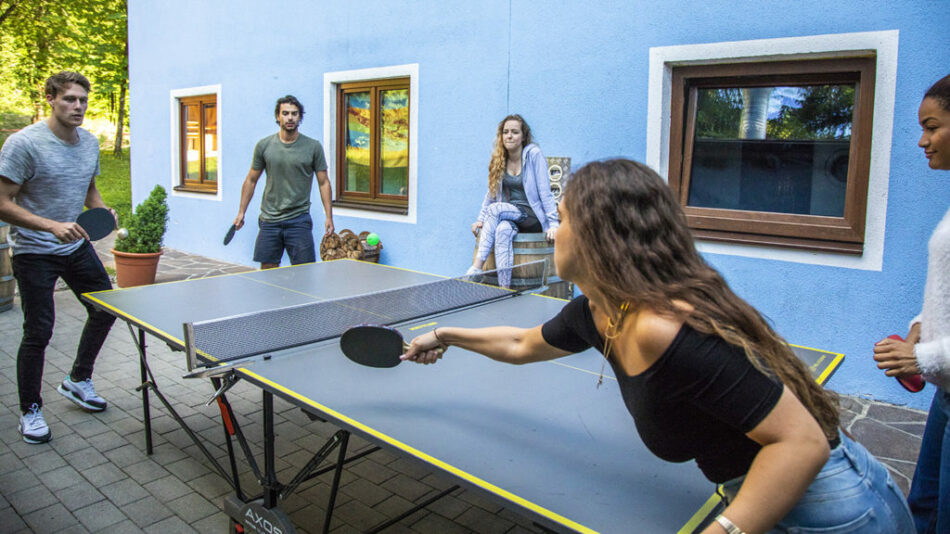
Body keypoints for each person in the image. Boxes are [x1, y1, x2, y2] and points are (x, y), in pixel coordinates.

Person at [405, 159, 914, 533]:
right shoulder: (600, 312)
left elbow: (800, 442)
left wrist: (723, 530)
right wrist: (444, 334)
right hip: (781, 498)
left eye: (563, 217)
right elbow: (520, 342)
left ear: (602, 234)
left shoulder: (663, 326)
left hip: (830, 509)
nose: (554, 230)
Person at [0, 71, 117, 444]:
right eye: (69, 99)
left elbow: (89, 190)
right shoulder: (24, 144)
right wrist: (50, 226)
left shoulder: (90, 143)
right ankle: (30, 410)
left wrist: (103, 211)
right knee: (39, 331)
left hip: (75, 245)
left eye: (82, 100)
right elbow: (2, 203)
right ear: (50, 98)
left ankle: (78, 379)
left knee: (106, 307)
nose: (78, 106)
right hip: (34, 251)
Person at [874, 73, 950, 534]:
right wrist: (922, 324)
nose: (922, 141)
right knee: (923, 507)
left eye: (932, 126)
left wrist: (919, 355)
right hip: (945, 392)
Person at [233, 95, 334, 269]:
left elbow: (323, 182)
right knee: (268, 271)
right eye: (285, 113)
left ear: (300, 117)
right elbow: (251, 180)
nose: (290, 117)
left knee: (305, 272)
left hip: (299, 219)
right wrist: (241, 212)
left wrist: (329, 216)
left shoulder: (313, 147)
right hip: (270, 220)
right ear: (278, 117)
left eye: (294, 114)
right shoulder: (264, 146)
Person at [466, 114, 558, 287]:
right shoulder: (499, 159)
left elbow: (545, 193)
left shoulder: (534, 155)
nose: (509, 136)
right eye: (506, 132)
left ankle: (476, 268)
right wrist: (480, 219)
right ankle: (504, 289)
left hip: (531, 216)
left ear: (523, 136)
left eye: (515, 132)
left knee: (496, 210)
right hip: (509, 215)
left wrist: (553, 224)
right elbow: (491, 194)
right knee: (502, 230)